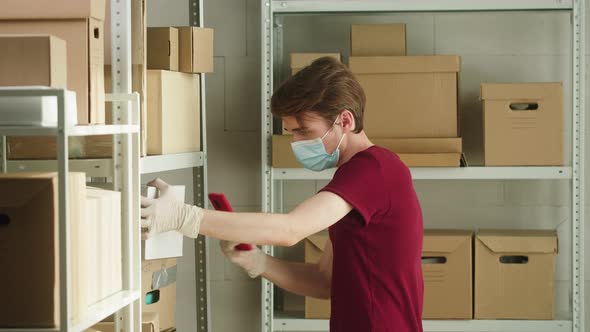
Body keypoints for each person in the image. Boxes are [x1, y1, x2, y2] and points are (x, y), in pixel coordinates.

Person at [141, 57, 424, 332]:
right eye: (292, 133)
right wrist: (258, 262)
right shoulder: (355, 182)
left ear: (345, 121)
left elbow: (290, 229)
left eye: (304, 131)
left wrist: (183, 216)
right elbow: (324, 281)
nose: (297, 142)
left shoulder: (374, 170)